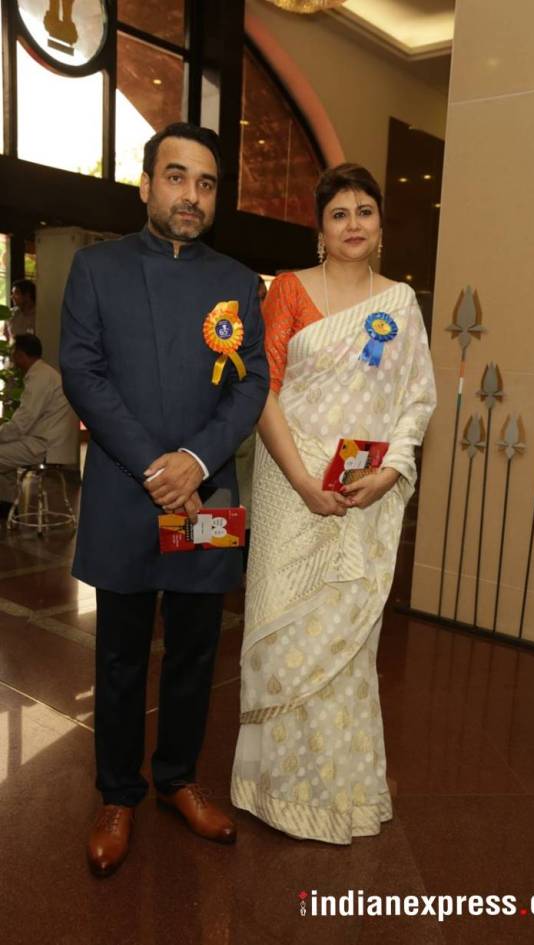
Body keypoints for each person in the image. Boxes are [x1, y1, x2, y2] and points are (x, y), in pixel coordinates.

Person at [60, 122, 269, 877]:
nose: (191, 195)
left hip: (207, 492)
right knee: (118, 656)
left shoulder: (240, 281)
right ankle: (118, 792)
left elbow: (252, 381)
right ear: (147, 184)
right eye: (177, 177)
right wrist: (158, 462)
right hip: (127, 492)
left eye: (206, 183)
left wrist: (198, 458)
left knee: (195, 650)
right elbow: (83, 372)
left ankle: (178, 778)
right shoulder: (96, 268)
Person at [231, 163, 437, 844]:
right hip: (293, 487)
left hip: (364, 493)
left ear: (380, 226)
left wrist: (390, 472)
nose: (353, 223)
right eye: (339, 213)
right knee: (284, 636)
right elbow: (262, 389)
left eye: (365, 211)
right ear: (320, 228)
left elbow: (416, 399)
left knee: (348, 648)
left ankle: (338, 791)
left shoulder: (401, 302)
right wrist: (299, 480)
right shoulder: (289, 291)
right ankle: (274, 788)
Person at [0, 333, 77, 514]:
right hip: (47, 442)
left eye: (13, 353)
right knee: (5, 454)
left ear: (20, 354)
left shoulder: (39, 377)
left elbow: (22, 422)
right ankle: (7, 505)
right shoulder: (45, 373)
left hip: (44, 446)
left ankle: (7, 506)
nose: (13, 358)